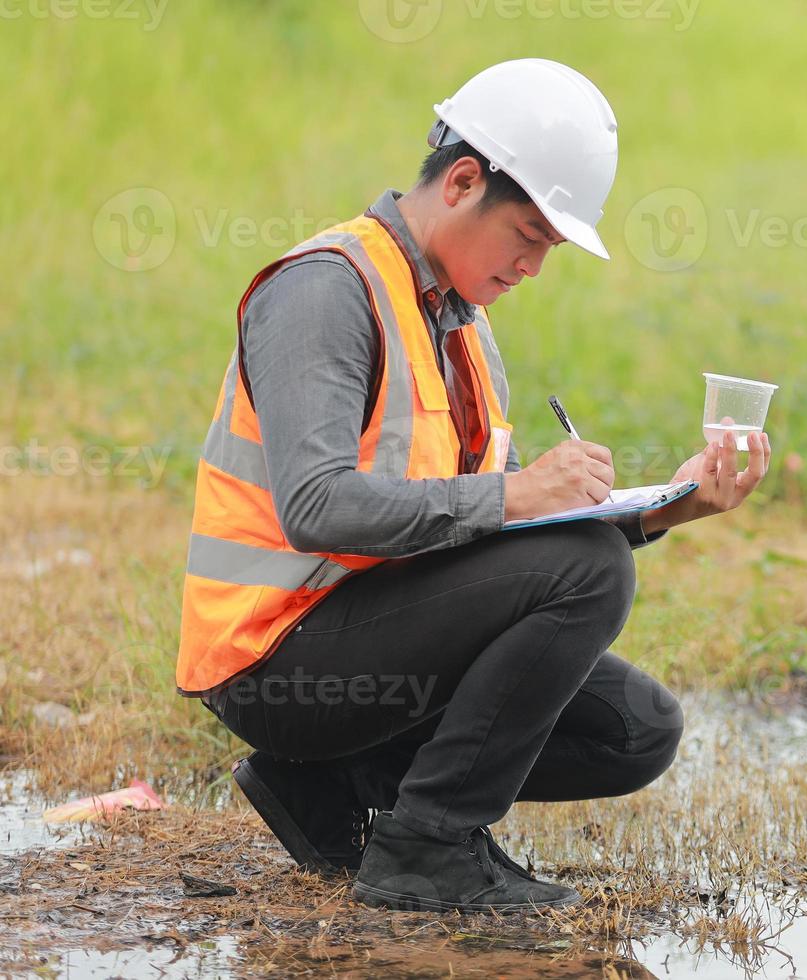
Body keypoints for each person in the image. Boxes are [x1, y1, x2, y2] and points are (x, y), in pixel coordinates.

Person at [173, 59, 772, 913]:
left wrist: (668, 507)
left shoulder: (458, 319)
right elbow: (316, 508)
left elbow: (488, 545)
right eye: (528, 235)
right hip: (274, 661)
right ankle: (427, 849)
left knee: (639, 730)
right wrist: (518, 497)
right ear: (462, 181)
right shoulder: (324, 291)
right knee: (591, 571)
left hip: (374, 630)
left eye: (549, 249)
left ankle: (331, 784)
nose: (534, 265)